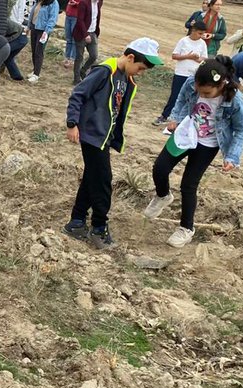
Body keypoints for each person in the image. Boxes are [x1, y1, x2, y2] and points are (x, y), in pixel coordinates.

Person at [62, 38, 162, 249]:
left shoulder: (125, 77)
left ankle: (77, 221)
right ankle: (99, 226)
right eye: (140, 68)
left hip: (103, 136)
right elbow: (78, 95)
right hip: (91, 134)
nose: (140, 73)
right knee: (104, 180)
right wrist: (72, 123)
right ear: (130, 57)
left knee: (92, 177)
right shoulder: (104, 72)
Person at [146, 56, 243, 248]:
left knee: (188, 185)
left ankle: (186, 229)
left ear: (221, 85)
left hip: (208, 143)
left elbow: (242, 129)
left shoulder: (235, 100)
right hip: (187, 132)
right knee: (160, 167)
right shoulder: (192, 82)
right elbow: (182, 98)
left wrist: (232, 157)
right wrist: (175, 117)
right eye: (199, 90)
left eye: (207, 92)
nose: (202, 93)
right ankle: (162, 196)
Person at [155, 19, 207, 126]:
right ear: (193, 30)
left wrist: (196, 58)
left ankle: (186, 119)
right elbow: (174, 55)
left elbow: (204, 59)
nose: (201, 36)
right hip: (181, 73)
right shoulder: (183, 41)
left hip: (193, 75)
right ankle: (165, 115)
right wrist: (188, 56)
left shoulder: (202, 44)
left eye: (202, 34)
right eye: (199, 33)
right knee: (175, 95)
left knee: (191, 98)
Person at [26, 0, 59, 82]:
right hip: (34, 27)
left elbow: (53, 18)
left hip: (43, 30)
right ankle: (34, 70)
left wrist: (47, 31)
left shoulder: (53, 3)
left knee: (39, 51)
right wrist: (28, 26)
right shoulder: (38, 1)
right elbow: (32, 14)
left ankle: (36, 75)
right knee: (34, 51)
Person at [71, 0, 102, 84]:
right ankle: (76, 79)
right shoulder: (84, 3)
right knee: (79, 57)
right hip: (81, 34)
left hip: (93, 33)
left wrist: (95, 33)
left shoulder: (99, 3)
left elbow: (96, 17)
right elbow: (80, 20)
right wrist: (85, 35)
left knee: (94, 55)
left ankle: (83, 70)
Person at [2, 17, 30, 83]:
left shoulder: (1, 23)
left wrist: (6, 41)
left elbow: (14, 34)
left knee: (2, 52)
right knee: (8, 57)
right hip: (21, 37)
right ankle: (17, 77)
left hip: (20, 38)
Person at [62, 0, 79, 70]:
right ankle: (67, 57)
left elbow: (85, 3)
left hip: (76, 16)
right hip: (68, 15)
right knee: (68, 38)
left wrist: (77, 4)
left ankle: (72, 59)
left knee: (74, 39)